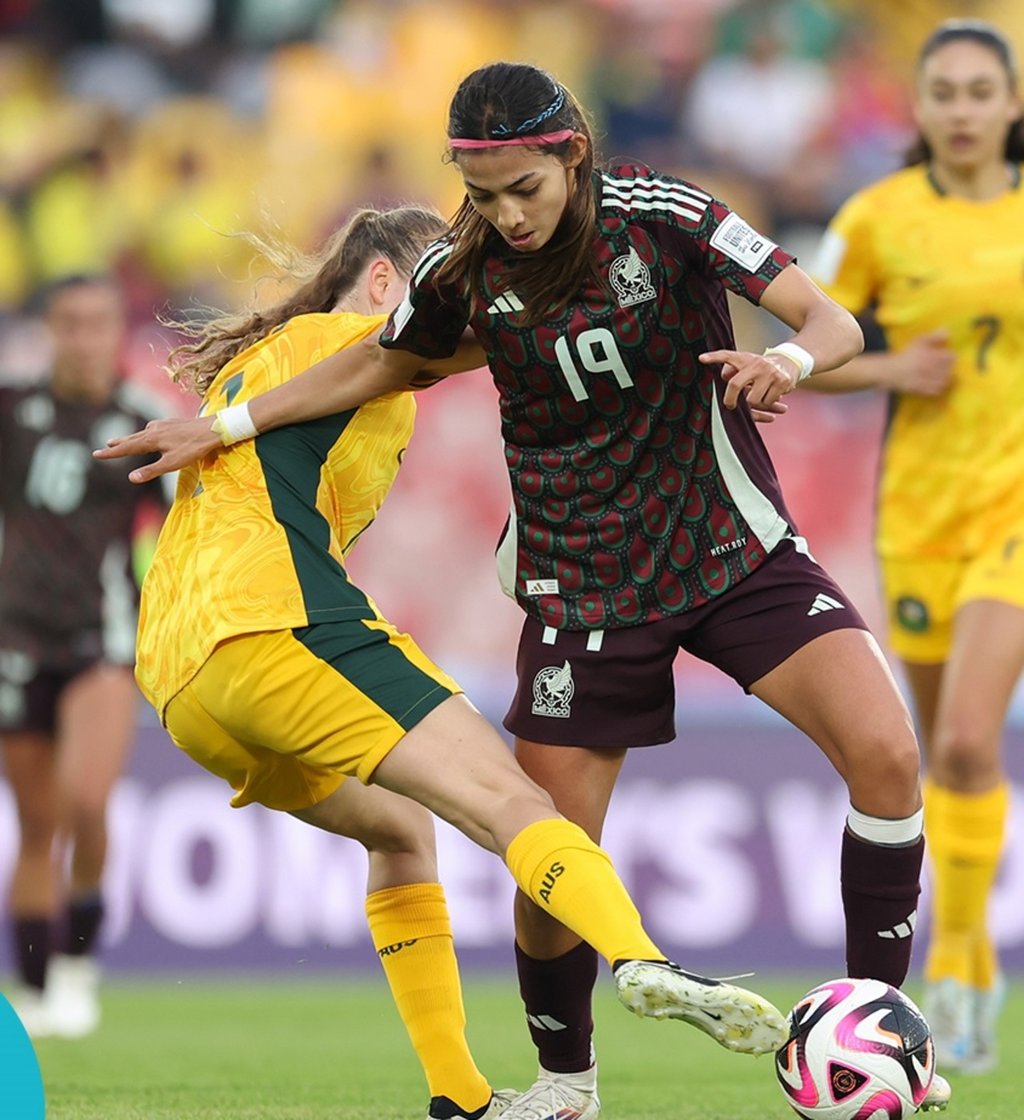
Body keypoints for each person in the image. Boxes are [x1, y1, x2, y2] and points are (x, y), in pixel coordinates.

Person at [95, 63, 950, 1117]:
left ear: (571, 156)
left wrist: (790, 362)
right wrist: (223, 426)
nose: (504, 216)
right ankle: (565, 1083)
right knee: (544, 851)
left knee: (886, 753)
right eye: (482, 195)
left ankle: (874, 1026)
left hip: (733, 553)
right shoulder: (460, 273)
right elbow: (374, 364)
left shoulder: (668, 216)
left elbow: (831, 321)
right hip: (580, 585)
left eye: (522, 193)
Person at [129, 203, 790, 1120]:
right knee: (515, 803)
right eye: (450, 283)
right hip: (274, 623)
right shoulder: (352, 339)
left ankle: (461, 1100)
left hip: (179, 674)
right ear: (388, 285)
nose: (472, 303)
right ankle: (640, 958)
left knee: (402, 830)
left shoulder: (279, 365)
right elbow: (508, 335)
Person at [802, 18, 1023, 1076]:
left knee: (975, 741)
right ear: (920, 106)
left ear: (1013, 104)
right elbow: (793, 348)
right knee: (939, 757)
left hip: (1015, 513)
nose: (964, 109)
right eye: (945, 91)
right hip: (918, 517)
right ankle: (956, 953)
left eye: (983, 90)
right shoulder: (877, 219)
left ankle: (963, 961)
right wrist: (891, 370)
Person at [0, 273, 168, 1039]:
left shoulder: (140, 423)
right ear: (50, 330)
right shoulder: (11, 413)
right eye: (68, 323)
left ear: (118, 333)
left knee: (88, 801)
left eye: (98, 323)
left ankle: (76, 967)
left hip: (102, 641)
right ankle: (33, 991)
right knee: (36, 825)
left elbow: (179, 534)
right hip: (14, 640)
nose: (83, 337)